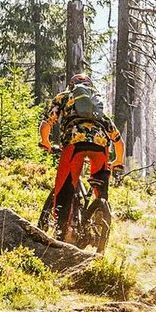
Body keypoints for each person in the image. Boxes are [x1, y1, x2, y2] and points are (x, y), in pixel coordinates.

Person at [38, 73, 126, 239]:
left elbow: (47, 123)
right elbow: (118, 140)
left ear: (71, 85)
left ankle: (61, 231)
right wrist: (118, 160)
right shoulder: (96, 105)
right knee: (100, 186)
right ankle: (99, 220)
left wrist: (45, 142)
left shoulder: (64, 97)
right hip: (101, 147)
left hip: (74, 144)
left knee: (64, 188)